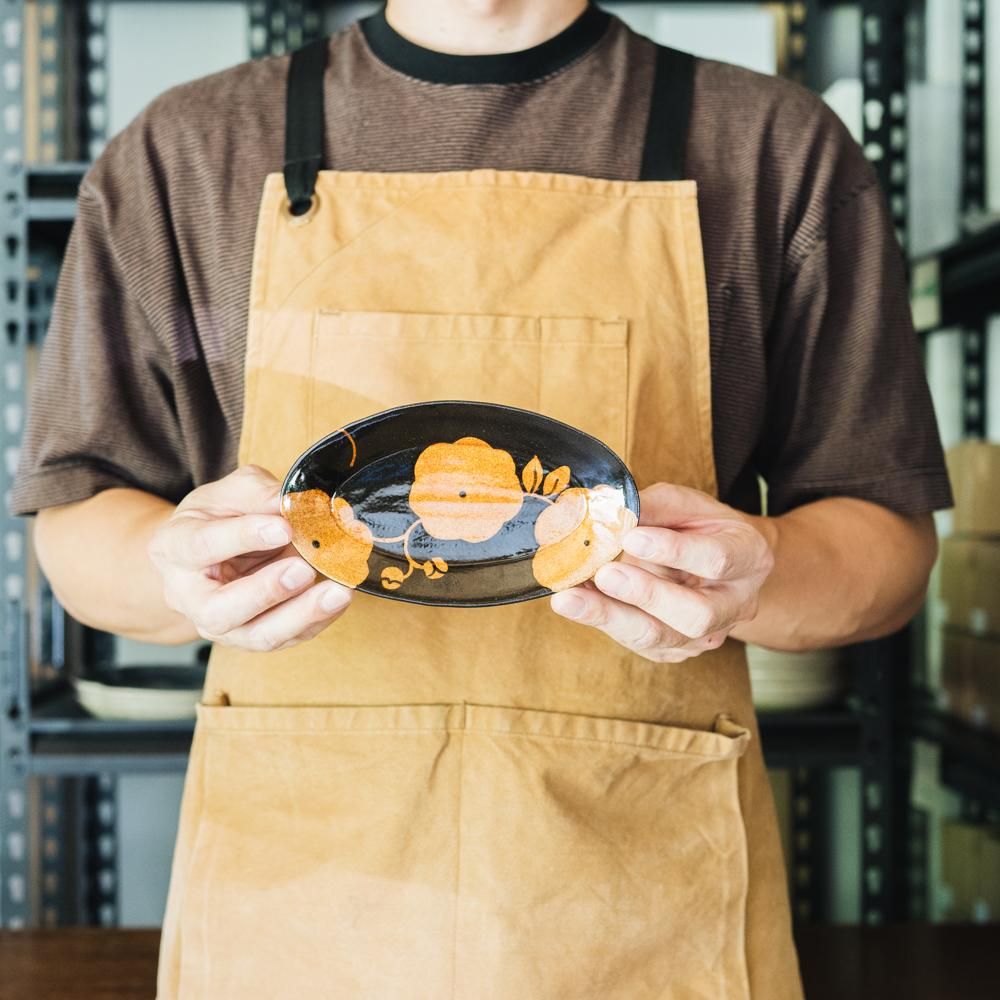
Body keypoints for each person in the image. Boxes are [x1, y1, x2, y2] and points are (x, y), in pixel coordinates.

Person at [12, 1, 951, 997]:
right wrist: (178, 576)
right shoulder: (187, 151)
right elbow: (81, 523)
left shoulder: (768, 147)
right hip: (302, 907)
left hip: (639, 896)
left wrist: (756, 575)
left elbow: (884, 551)